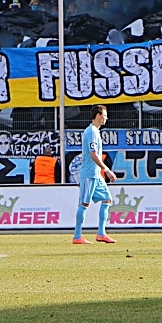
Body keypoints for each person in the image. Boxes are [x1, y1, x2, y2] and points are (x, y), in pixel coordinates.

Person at [73, 105, 117, 245]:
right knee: (84, 204)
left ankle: (101, 233)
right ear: (98, 116)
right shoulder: (91, 131)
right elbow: (93, 155)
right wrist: (107, 170)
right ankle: (77, 236)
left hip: (96, 175)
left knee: (107, 199)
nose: (106, 118)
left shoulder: (95, 132)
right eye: (104, 115)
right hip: (89, 174)